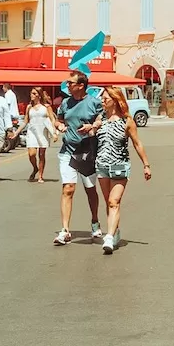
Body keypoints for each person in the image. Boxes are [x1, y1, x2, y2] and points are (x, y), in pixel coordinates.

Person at [95, 87, 152, 254]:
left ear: (115, 99)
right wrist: (90, 128)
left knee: (114, 202)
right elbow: (93, 135)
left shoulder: (127, 121)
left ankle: (109, 237)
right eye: (102, 99)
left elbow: (137, 143)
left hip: (120, 165)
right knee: (109, 203)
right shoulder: (101, 118)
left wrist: (146, 164)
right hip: (102, 166)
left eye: (106, 98)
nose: (103, 101)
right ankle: (115, 231)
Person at [54, 70, 103, 246]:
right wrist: (59, 126)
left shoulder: (94, 102)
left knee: (90, 189)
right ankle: (65, 230)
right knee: (68, 188)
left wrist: (93, 125)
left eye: (70, 83)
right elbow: (58, 119)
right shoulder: (65, 103)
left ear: (81, 86)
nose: (67, 85)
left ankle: (95, 221)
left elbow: (101, 119)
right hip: (68, 149)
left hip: (87, 150)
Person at [18, 87, 56, 183]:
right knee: (32, 154)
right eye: (31, 93)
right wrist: (16, 132)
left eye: (34, 93)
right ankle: (35, 168)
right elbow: (25, 121)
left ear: (38, 95)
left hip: (42, 131)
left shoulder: (46, 107)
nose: (31, 95)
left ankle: (40, 175)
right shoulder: (29, 107)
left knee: (42, 154)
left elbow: (52, 119)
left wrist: (54, 132)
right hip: (32, 131)